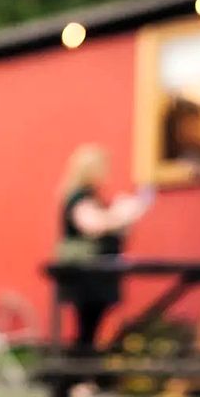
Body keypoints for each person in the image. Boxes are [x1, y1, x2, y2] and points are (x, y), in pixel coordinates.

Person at [55, 144, 153, 351]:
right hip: (87, 275)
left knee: (92, 326)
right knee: (87, 326)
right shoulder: (79, 197)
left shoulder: (93, 197)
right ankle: (78, 378)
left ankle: (83, 377)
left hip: (100, 272)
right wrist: (121, 213)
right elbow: (94, 226)